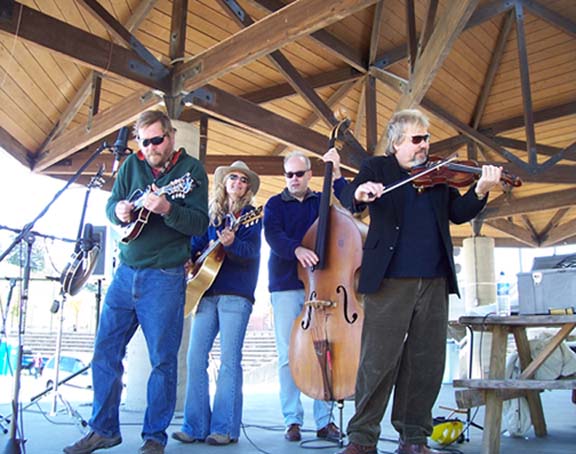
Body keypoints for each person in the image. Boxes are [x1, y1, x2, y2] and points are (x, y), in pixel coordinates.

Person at [325, 109, 502, 454]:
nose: (425, 145)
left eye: (427, 138)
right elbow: (351, 199)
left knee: (426, 361)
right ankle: (362, 437)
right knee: (378, 360)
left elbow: (458, 213)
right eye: (418, 139)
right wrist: (361, 193)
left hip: (434, 278)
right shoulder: (377, 168)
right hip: (390, 278)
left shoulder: (437, 174)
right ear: (397, 142)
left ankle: (414, 437)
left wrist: (481, 189)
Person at [64, 110, 209, 454]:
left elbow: (200, 223)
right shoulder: (132, 166)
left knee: (162, 360)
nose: (151, 147)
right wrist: (119, 212)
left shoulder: (191, 173)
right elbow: (112, 204)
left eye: (157, 140)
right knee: (105, 351)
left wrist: (168, 210)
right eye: (145, 142)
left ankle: (154, 438)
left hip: (164, 277)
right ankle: (103, 429)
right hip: (124, 274)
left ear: (171, 136)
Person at [172, 160, 262, 446]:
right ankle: (195, 425)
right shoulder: (212, 216)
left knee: (229, 361)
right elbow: (197, 245)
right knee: (194, 357)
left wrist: (232, 242)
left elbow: (250, 253)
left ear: (248, 187)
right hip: (205, 292)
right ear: (224, 183)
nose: (237, 182)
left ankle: (224, 428)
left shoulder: (252, 217)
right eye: (232, 177)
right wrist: (189, 258)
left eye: (243, 180)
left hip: (236, 294)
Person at [263, 151, 342, 442]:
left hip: (320, 284)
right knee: (287, 355)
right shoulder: (273, 204)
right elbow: (273, 236)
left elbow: (339, 229)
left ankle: (325, 421)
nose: (294, 179)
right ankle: (292, 420)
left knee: (324, 350)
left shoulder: (322, 202)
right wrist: (297, 249)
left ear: (310, 174)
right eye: (289, 175)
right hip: (285, 285)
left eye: (299, 174)